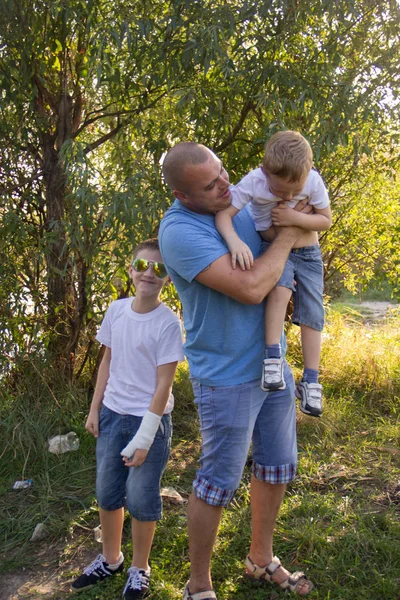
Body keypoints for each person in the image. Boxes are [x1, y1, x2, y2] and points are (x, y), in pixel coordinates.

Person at [159, 142, 315, 599]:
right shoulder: (180, 230)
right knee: (217, 483)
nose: (225, 183)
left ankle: (261, 559)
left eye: (223, 171)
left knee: (277, 467)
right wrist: (288, 235)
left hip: (271, 364)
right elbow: (249, 287)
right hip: (226, 376)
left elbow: (293, 214)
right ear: (185, 195)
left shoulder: (238, 200)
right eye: (210, 184)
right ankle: (198, 584)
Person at [71, 238, 184, 599]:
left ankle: (139, 568)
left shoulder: (168, 324)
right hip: (111, 415)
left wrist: (145, 436)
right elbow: (107, 361)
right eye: (143, 265)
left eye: (160, 269)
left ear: (168, 278)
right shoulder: (116, 310)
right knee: (107, 492)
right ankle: (111, 558)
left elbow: (164, 384)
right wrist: (94, 408)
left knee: (140, 497)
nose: (149, 273)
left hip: (147, 424)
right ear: (131, 268)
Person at [215, 131, 332, 417]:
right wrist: (235, 241)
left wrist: (295, 218)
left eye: (296, 190)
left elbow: (325, 220)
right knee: (279, 294)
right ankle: (272, 360)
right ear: (265, 171)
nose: (289, 197)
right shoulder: (255, 181)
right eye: (281, 191)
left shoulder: (313, 181)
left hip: (308, 254)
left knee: (313, 313)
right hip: (273, 247)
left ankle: (311, 380)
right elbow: (223, 215)